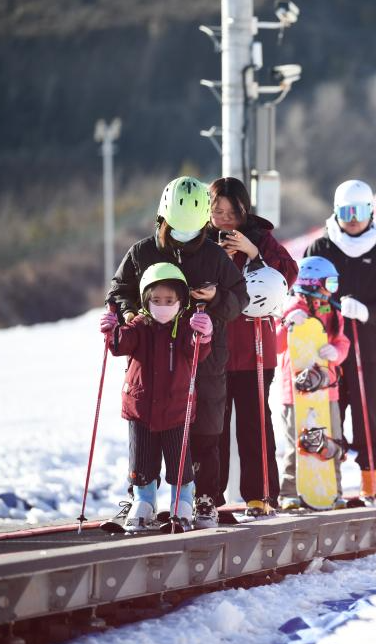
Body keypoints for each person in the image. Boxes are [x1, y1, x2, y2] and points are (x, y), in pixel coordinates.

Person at [108, 176, 248, 529]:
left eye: (191, 229)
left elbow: (240, 297)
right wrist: (128, 313)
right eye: (175, 228)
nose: (182, 235)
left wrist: (215, 299)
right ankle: (140, 495)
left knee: (204, 429)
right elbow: (119, 290)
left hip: (205, 357)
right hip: (152, 359)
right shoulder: (142, 252)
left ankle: (203, 499)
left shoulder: (214, 256)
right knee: (148, 428)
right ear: (162, 218)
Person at [304, 180, 376, 499]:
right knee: (327, 413)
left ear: (371, 212)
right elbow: (304, 290)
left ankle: (370, 480)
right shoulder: (321, 248)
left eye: (359, 211)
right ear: (335, 212)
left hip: (368, 348)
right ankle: (326, 480)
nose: (352, 219)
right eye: (345, 211)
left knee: (367, 413)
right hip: (328, 349)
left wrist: (369, 312)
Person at [99, 263, 214, 532]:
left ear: (181, 301)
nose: (162, 305)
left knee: (179, 461)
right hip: (140, 408)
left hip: (176, 409)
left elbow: (197, 349)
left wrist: (204, 334)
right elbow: (121, 345)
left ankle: (182, 503)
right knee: (141, 462)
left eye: (169, 300)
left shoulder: (186, 327)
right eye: (156, 300)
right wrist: (112, 331)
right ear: (145, 300)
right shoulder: (139, 325)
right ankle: (144, 503)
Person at [208, 177, 299, 516]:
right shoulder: (200, 240)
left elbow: (290, 273)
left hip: (254, 348)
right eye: (218, 211)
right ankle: (208, 497)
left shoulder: (261, 236)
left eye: (232, 212)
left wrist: (253, 252)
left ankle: (260, 495)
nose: (225, 219)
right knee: (212, 426)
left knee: (255, 423)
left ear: (244, 210)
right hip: (212, 349)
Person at [277, 256, 351, 509]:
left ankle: (333, 491)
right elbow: (275, 344)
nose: (332, 290)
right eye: (329, 284)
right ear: (311, 283)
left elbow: (343, 342)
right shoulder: (290, 307)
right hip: (295, 392)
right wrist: (287, 324)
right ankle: (289, 493)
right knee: (295, 442)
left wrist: (336, 352)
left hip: (326, 392)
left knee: (331, 440)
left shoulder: (331, 310)